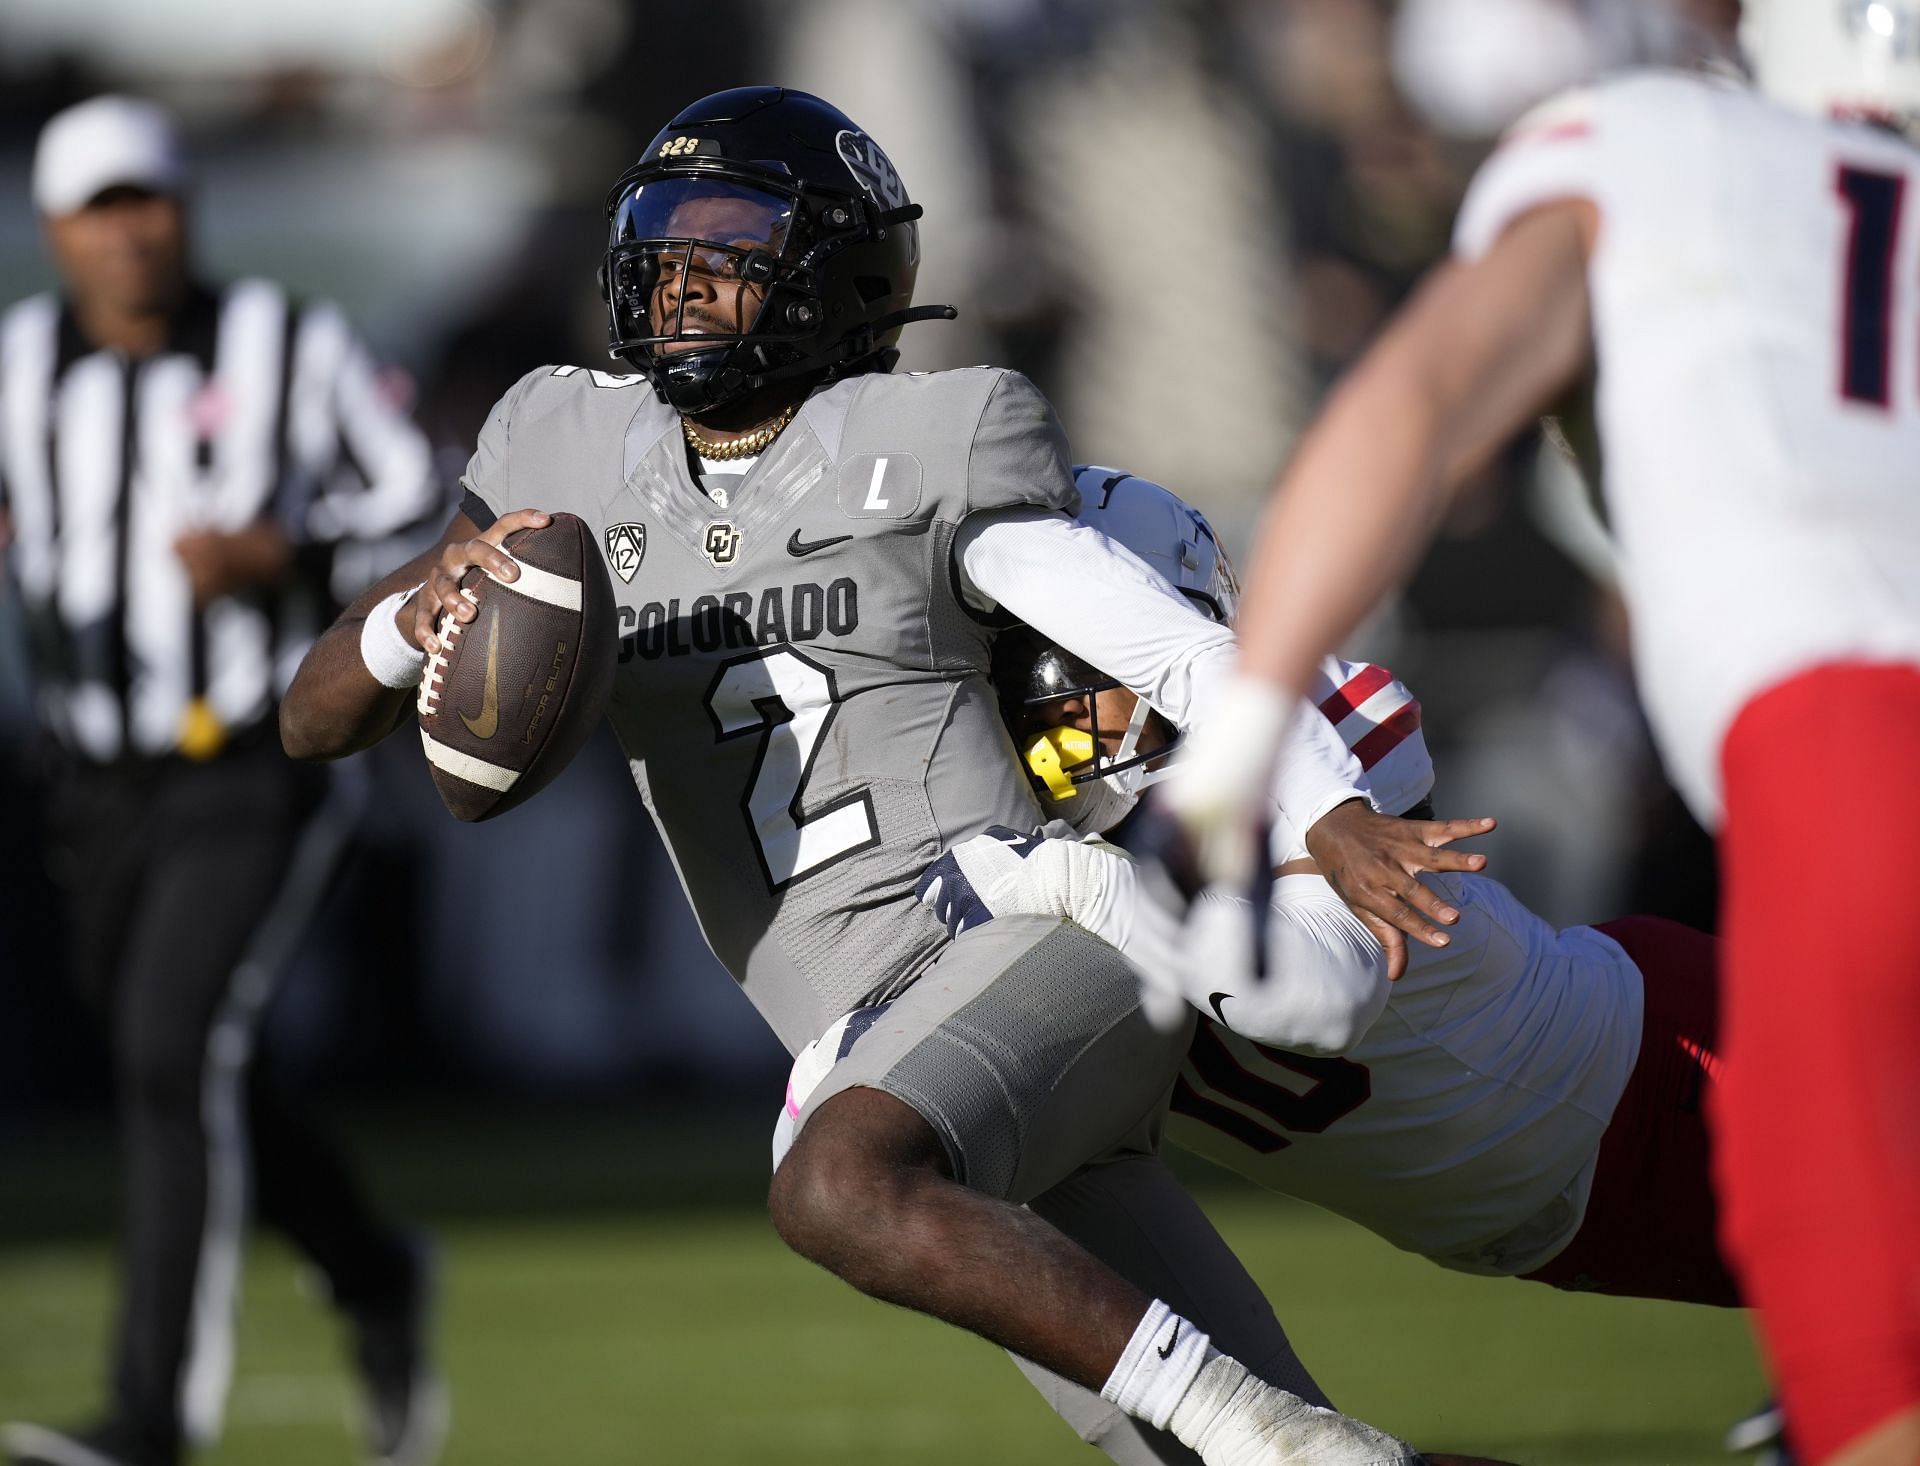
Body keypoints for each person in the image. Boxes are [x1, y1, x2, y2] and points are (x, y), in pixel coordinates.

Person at [279, 85, 1510, 1464]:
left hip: (1028, 936)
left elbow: (1151, 642)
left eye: (727, 239)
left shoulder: (933, 438)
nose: (682, 273)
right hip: (875, 1033)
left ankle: (1269, 1431)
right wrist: (412, 614)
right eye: (664, 238)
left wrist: (1322, 801)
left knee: (839, 1188)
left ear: (829, 272)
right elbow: (311, 717)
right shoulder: (559, 448)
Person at [1157, 9, 1920, 1463]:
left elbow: (1419, 401)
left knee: (1870, 1386)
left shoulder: (1657, 141)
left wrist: (1245, 736)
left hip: (1851, 750)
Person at [892, 468, 1733, 1319]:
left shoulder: (1323, 741)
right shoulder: (1028, 835)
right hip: (1551, 1214)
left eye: (1074, 661)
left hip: (1658, 1073)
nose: (1040, 710)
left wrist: (1080, 881)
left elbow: (1321, 1003)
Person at [0, 97, 447, 1466]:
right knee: (193, 1063)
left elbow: (425, 503)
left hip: (257, 757)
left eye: (150, 201)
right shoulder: (18, 362)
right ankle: (374, 1269)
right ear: (57, 229)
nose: (129, 233)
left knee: (174, 1044)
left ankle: (150, 1420)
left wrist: (287, 552)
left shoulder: (289, 346)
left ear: (185, 208)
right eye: (100, 208)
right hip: (89, 776)